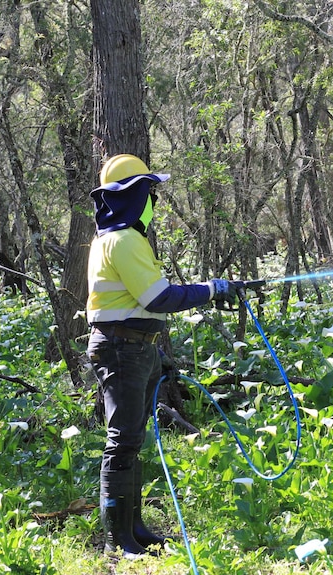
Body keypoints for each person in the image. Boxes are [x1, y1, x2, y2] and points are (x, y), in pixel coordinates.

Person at [85, 154, 237, 558]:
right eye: (150, 191)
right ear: (134, 195)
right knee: (123, 440)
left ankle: (133, 528)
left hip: (135, 346)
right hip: (122, 349)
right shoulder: (125, 240)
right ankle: (117, 541)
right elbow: (159, 297)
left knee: (131, 440)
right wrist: (211, 289)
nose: (154, 199)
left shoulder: (112, 238)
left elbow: (140, 303)